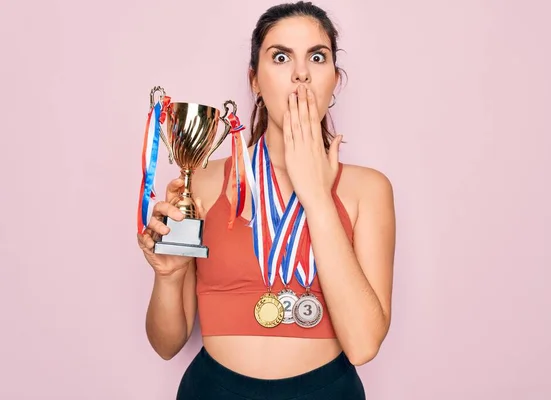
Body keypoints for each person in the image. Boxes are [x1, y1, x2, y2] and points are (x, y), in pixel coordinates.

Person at [136, 2, 396, 399]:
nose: (301, 74)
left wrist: (316, 196)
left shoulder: (369, 190)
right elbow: (166, 344)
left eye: (317, 56)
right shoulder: (202, 181)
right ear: (254, 80)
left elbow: (363, 346)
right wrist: (168, 276)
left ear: (334, 80)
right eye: (280, 57)